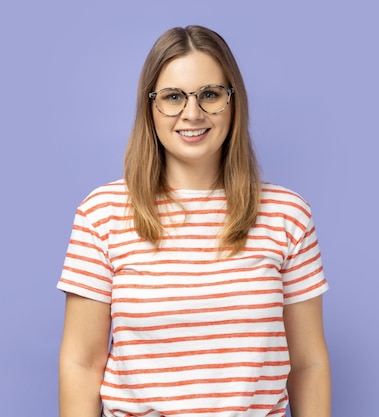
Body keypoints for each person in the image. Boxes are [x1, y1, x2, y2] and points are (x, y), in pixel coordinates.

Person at [58, 25, 331, 417]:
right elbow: (81, 364)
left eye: (209, 95)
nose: (192, 113)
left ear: (233, 101)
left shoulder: (287, 214)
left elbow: (309, 364)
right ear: (149, 106)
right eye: (173, 97)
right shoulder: (101, 213)